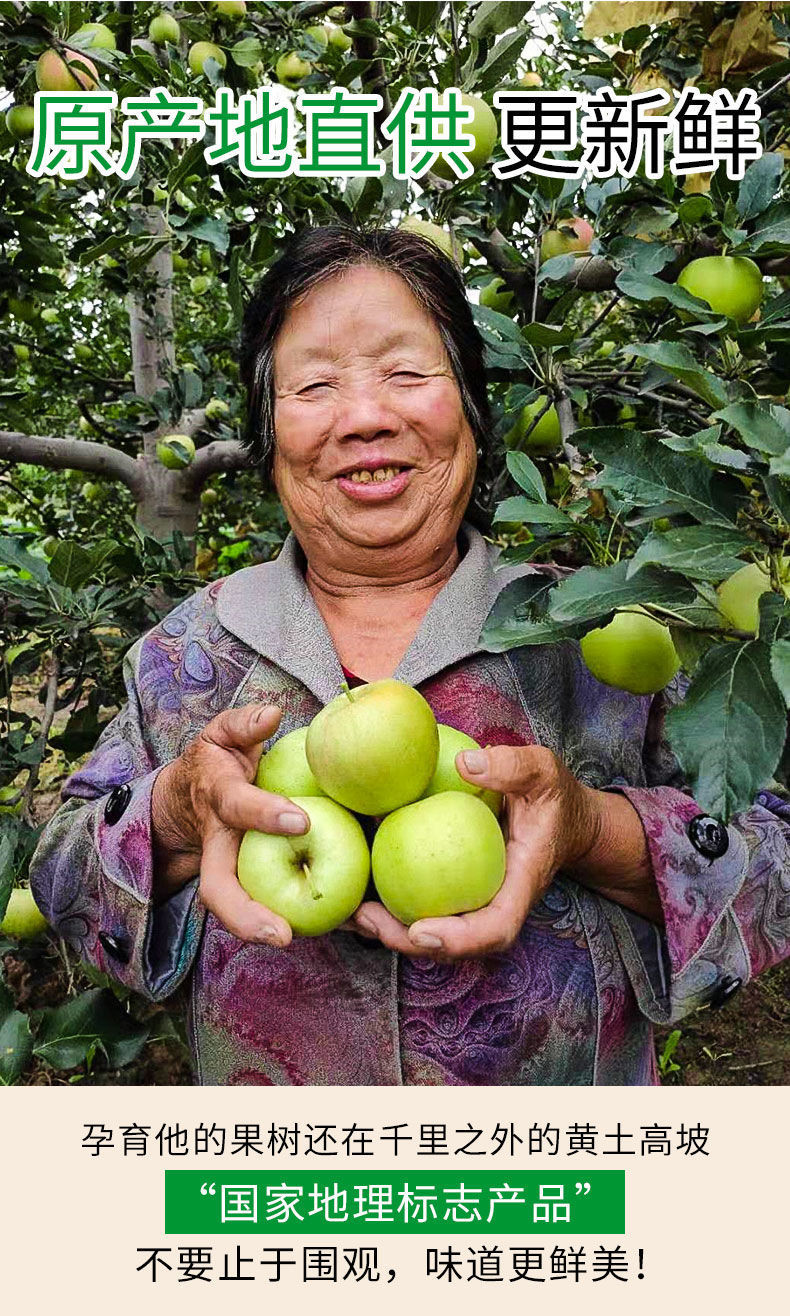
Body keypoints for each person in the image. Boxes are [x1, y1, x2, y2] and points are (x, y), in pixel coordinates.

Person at [29, 226, 790, 1086]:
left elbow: (777, 868)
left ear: (468, 406)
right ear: (270, 435)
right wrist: (173, 813)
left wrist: (592, 831)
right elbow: (59, 879)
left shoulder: (597, 630)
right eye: (316, 384)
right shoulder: (189, 652)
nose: (365, 417)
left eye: (406, 373)